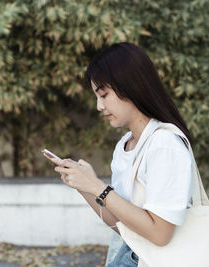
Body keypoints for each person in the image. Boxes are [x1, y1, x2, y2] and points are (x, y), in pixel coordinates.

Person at [51, 42, 193, 267]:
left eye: (104, 95)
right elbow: (121, 225)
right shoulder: (125, 146)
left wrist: (98, 187)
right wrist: (84, 186)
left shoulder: (164, 145)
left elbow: (160, 234)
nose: (99, 106)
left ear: (131, 86)